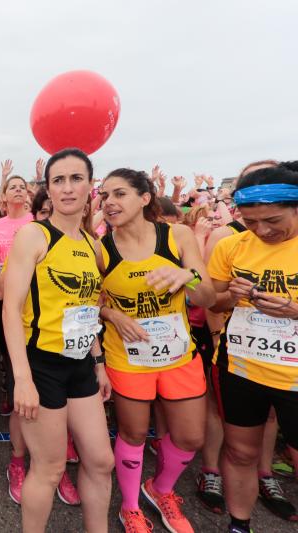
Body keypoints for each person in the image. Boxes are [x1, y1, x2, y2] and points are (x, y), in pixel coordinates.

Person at [97, 168, 216, 533]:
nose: (110, 203)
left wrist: (188, 277)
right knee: (133, 434)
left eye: (119, 194)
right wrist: (113, 314)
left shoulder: (177, 235)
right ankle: (131, 507)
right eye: (104, 196)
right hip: (129, 356)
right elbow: (90, 303)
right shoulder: (101, 249)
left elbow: (208, 296)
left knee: (191, 436)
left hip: (179, 355)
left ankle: (160, 489)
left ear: (145, 198)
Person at [2, 148, 114, 533]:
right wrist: (22, 379)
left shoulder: (93, 244)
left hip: (81, 363)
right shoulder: (34, 235)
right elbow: (10, 309)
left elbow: (88, 308)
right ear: (48, 189)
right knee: (49, 469)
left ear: (90, 186)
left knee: (101, 461)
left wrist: (98, 363)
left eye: (76, 178)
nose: (68, 188)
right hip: (41, 365)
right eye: (58, 180)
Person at [208, 165, 298, 533]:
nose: (262, 230)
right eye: (250, 222)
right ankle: (239, 525)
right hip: (243, 365)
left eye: (272, 220)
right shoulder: (231, 245)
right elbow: (213, 303)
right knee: (240, 452)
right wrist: (229, 295)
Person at [0, 173, 34, 503]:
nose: (17, 190)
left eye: (21, 186)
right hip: (3, 298)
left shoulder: (37, 223)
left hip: (37, 301)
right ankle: (9, 389)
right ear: (3, 197)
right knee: (8, 353)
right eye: (11, 187)